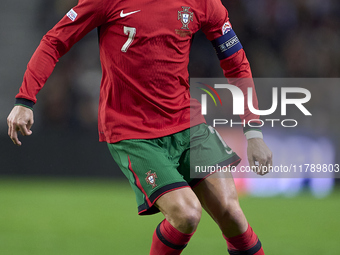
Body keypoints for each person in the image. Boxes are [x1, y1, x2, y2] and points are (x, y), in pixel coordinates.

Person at [7, 0, 272, 254]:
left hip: (187, 123)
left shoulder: (204, 2)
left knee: (232, 214)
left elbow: (235, 62)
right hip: (133, 131)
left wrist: (254, 132)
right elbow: (55, 41)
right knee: (186, 213)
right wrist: (25, 99)